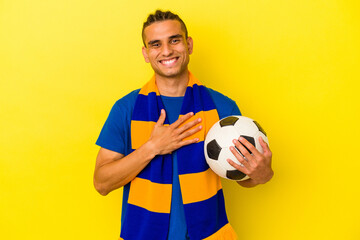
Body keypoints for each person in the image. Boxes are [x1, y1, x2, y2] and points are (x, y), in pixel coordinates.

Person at [94, 10, 273, 240]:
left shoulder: (223, 108)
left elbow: (242, 175)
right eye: (156, 44)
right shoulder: (125, 109)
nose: (167, 51)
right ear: (146, 53)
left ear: (188, 44)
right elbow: (101, 183)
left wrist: (262, 174)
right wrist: (152, 148)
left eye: (174, 40)